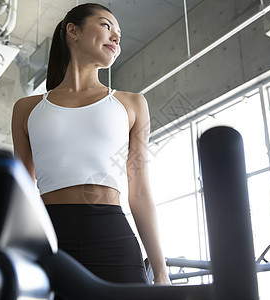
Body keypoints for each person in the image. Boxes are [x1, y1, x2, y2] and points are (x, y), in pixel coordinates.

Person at [11, 3, 170, 285]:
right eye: (107, 25)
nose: (117, 38)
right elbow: (20, 193)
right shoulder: (26, 109)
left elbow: (141, 192)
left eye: (119, 33)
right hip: (50, 240)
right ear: (73, 31)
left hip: (112, 237)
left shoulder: (133, 104)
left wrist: (161, 270)